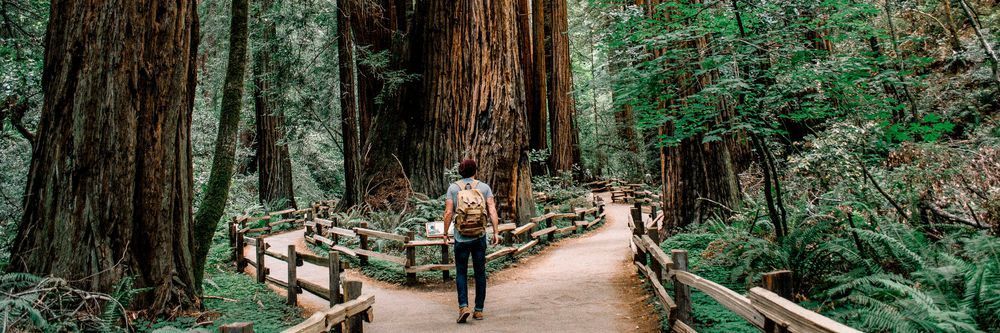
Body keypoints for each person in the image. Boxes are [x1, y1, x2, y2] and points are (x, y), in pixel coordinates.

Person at [443, 158, 501, 323]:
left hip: (461, 238)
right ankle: (479, 310)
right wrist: (496, 232)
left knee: (461, 272)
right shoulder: (484, 188)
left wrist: (445, 233)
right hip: (479, 236)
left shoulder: (453, 188)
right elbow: (492, 210)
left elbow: (448, 213)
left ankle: (463, 306)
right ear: (475, 171)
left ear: (460, 171)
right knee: (480, 273)